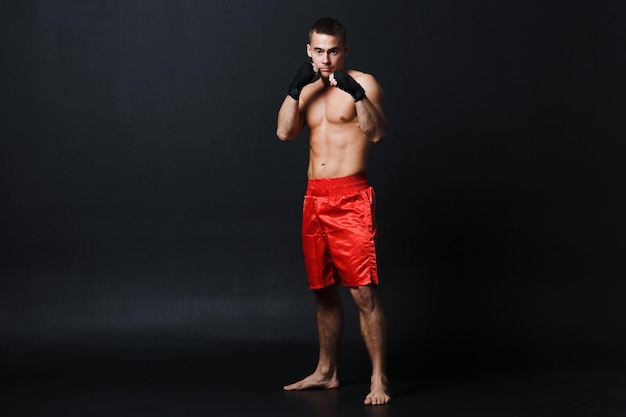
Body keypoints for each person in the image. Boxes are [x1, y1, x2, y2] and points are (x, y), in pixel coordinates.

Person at [276, 17, 390, 406]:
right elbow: (284, 133)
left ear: (345, 49)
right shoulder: (305, 90)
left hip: (350, 198)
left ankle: (379, 379)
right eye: (319, 51)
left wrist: (358, 95)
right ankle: (327, 371)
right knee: (322, 291)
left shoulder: (365, 82)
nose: (326, 59)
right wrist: (294, 90)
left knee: (362, 293)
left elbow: (376, 133)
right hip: (314, 199)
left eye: (334, 50)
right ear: (309, 51)